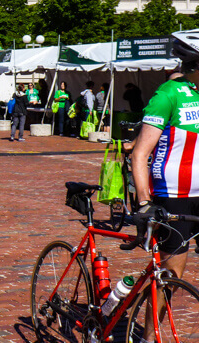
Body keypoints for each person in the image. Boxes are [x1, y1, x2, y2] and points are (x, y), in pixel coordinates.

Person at [130, 30, 199, 341]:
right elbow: (140, 153)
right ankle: (147, 337)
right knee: (170, 276)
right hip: (174, 196)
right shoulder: (169, 94)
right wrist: (144, 203)